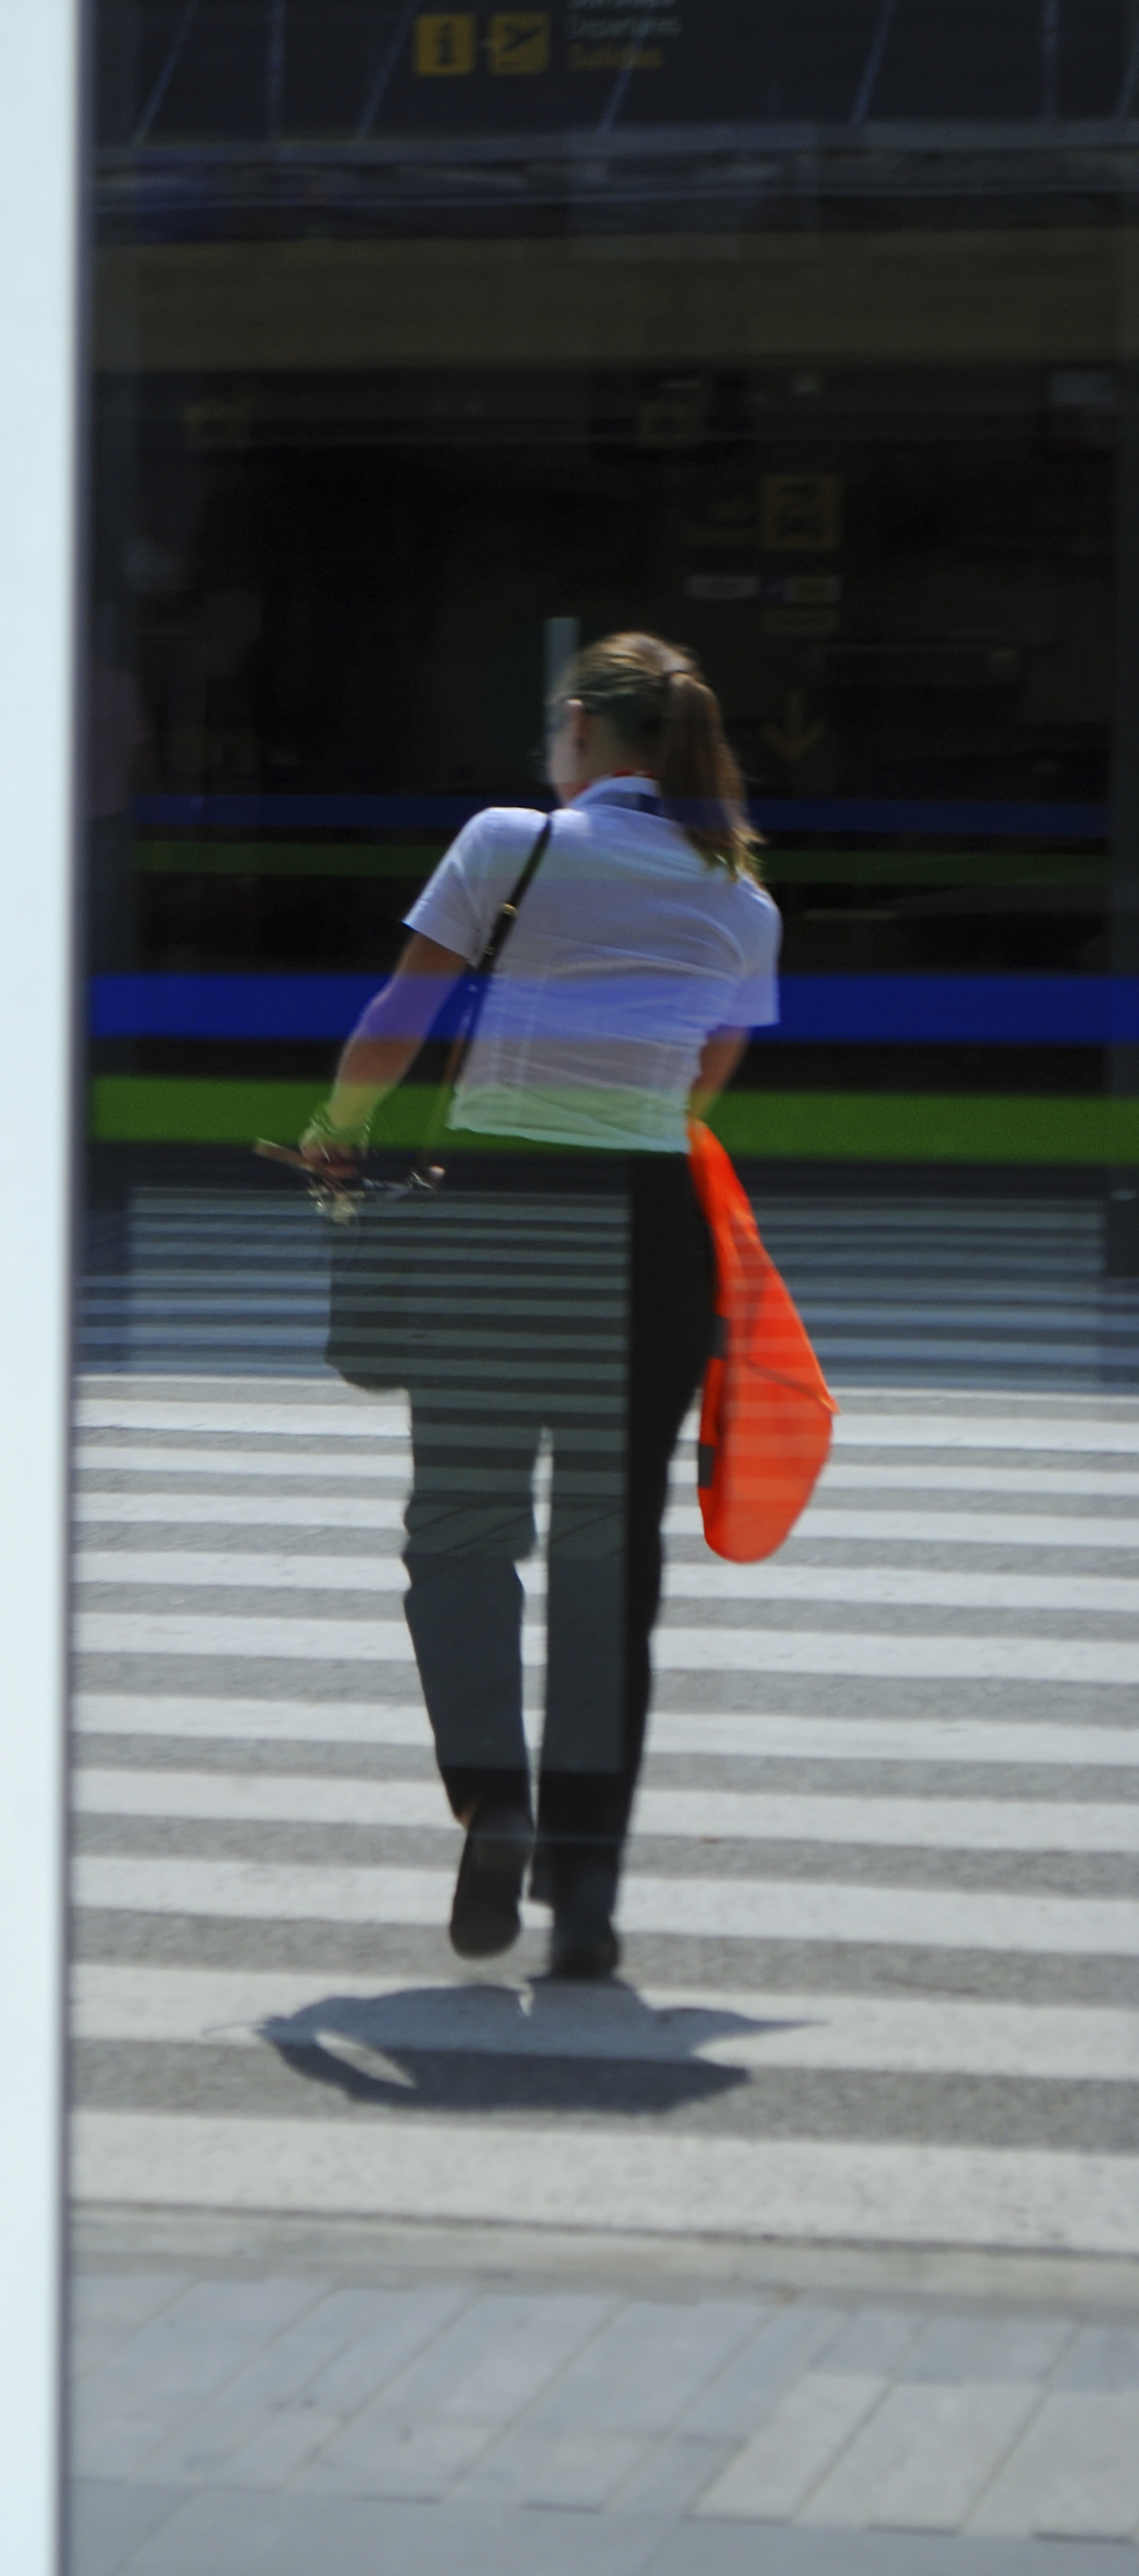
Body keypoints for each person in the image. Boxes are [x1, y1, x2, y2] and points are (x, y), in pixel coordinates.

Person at [299, 631, 781, 1978]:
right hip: (647, 1237)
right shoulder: (740, 900)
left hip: (497, 1227)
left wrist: (338, 1126)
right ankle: (588, 1902)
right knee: (605, 1564)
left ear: (579, 728)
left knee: (459, 1530)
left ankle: (489, 1794)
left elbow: (403, 1011)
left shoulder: (508, 845)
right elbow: (697, 1091)